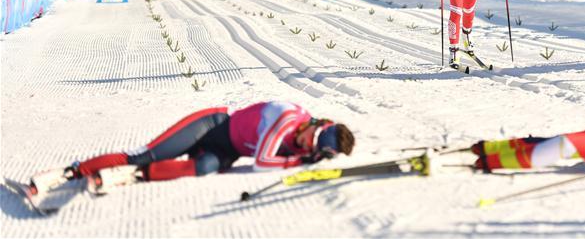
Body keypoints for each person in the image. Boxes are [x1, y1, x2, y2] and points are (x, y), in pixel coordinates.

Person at [26, 102, 355, 198]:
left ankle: (128, 177)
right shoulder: (289, 116)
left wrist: (312, 156)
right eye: (309, 139)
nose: (303, 145)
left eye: (310, 149)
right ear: (318, 124)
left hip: (226, 150)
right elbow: (263, 161)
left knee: (205, 168)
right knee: (145, 153)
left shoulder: (307, 141)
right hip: (210, 126)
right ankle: (69, 172)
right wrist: (300, 157)